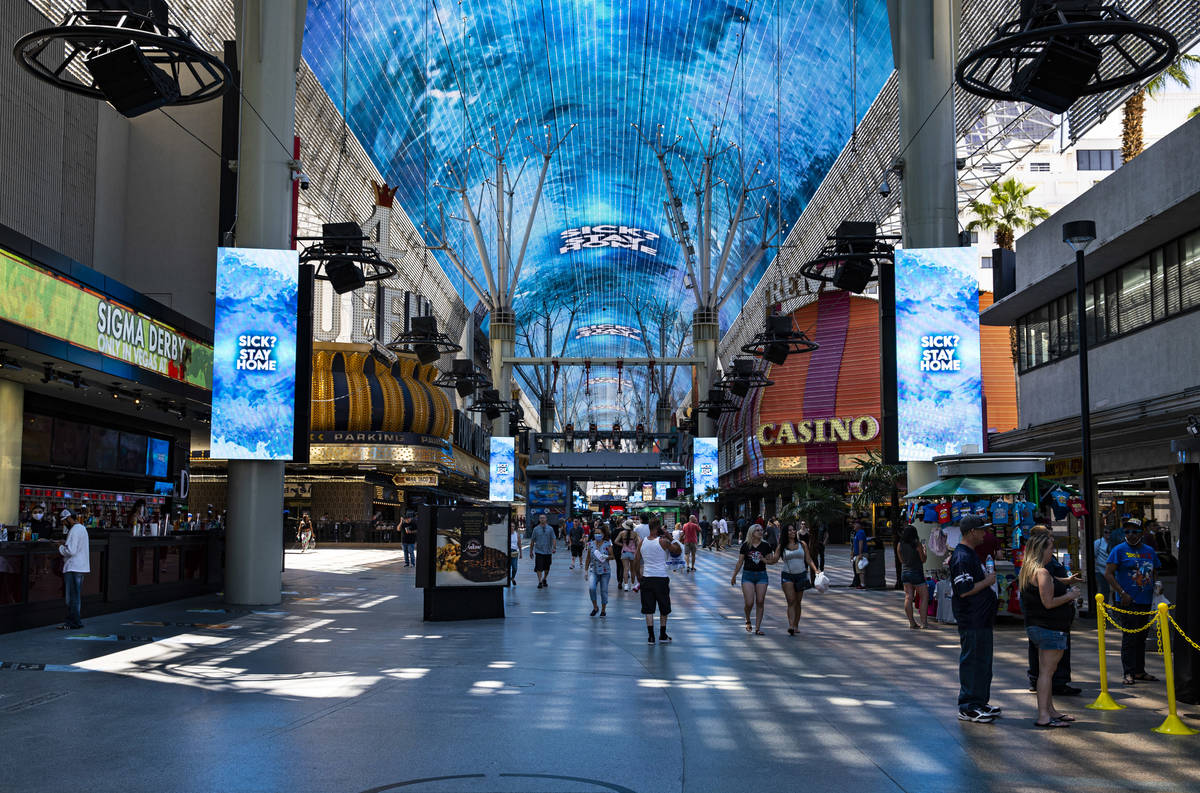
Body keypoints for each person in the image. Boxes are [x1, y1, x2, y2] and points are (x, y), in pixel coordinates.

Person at [1020, 531, 1081, 728]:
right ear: (1042, 550)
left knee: (1047, 671)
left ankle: (1050, 710)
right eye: (1050, 548)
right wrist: (1070, 596)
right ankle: (1044, 715)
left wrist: (1065, 582)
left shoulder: (1030, 571)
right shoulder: (1042, 572)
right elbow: (1048, 602)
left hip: (1039, 627)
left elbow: (1050, 583)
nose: (1052, 552)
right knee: (1047, 672)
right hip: (1049, 628)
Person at [949, 515, 1001, 723]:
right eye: (981, 530)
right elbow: (964, 589)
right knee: (973, 660)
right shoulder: (962, 557)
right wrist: (988, 581)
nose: (984, 534)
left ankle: (979, 701)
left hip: (982, 617)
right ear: (972, 532)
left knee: (983, 661)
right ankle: (968, 705)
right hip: (971, 618)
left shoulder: (970, 554)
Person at [1104, 518, 1161, 686]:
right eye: (1127, 531)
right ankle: (1128, 672)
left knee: (1141, 636)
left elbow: (1155, 570)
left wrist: (1158, 584)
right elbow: (1108, 574)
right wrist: (1121, 592)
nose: (1130, 534)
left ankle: (1139, 671)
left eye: (1134, 531)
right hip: (1127, 601)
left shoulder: (1149, 551)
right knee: (1130, 637)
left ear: (1141, 533)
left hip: (1146, 599)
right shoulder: (1118, 550)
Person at [767, 524, 819, 635]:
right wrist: (764, 559)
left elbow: (808, 559)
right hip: (787, 576)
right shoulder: (781, 546)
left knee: (798, 602)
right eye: (789, 530)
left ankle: (796, 625)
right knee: (791, 601)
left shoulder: (802, 544)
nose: (792, 532)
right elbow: (774, 560)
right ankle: (790, 625)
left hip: (801, 575)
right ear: (786, 533)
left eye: (793, 530)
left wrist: (815, 570)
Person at [636, 518, 680, 643]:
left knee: (648, 609)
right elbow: (677, 550)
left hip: (647, 578)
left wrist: (638, 576)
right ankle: (662, 635)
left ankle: (651, 637)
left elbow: (636, 560)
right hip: (661, 579)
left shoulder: (642, 542)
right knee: (664, 607)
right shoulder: (663, 541)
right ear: (658, 528)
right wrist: (669, 537)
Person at [731, 524, 773, 635]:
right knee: (749, 602)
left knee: (760, 601)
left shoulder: (766, 545)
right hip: (748, 575)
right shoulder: (746, 545)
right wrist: (734, 575)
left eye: (761, 530)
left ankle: (758, 628)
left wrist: (763, 559)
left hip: (761, 575)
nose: (760, 532)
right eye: (757, 530)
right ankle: (748, 619)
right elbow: (740, 562)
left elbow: (771, 560)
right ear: (752, 532)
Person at [56, 509, 89, 630]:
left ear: (69, 519)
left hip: (73, 567)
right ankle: (75, 621)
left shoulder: (74, 530)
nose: (64, 524)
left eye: (64, 521)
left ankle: (73, 622)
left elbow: (71, 551)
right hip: (80, 566)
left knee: (71, 597)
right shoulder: (81, 528)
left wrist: (59, 546)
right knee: (76, 596)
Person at [898, 525, 929, 629]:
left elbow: (901, 560)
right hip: (916, 572)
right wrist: (924, 551)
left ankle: (911, 622)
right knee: (924, 597)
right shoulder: (917, 544)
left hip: (905, 572)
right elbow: (923, 559)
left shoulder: (900, 544)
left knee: (908, 597)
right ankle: (923, 623)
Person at [585, 525, 613, 617]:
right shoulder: (590, 544)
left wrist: (606, 557)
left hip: (605, 571)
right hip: (594, 570)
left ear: (603, 534)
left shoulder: (607, 544)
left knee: (603, 590)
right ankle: (595, 607)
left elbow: (613, 556)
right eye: (596, 533)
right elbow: (588, 558)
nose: (597, 535)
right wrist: (586, 570)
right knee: (591, 588)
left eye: (599, 533)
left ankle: (603, 610)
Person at [530, 513, 557, 589]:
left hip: (548, 551)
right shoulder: (536, 529)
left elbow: (554, 538)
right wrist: (531, 551)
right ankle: (540, 582)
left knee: (547, 567)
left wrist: (554, 547)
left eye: (543, 518)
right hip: (539, 551)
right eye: (541, 518)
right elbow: (532, 540)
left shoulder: (550, 529)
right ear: (539, 519)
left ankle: (544, 578)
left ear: (546, 519)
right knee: (539, 567)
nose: (542, 519)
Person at [615, 521, 640, 592]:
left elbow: (616, 541)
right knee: (632, 570)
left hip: (624, 552)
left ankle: (626, 585)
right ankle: (632, 585)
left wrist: (623, 545)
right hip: (633, 553)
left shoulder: (622, 533)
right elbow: (638, 543)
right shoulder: (635, 534)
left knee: (626, 569)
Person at [1093, 527, 1112, 601]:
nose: (1108, 534)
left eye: (1110, 532)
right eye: (1106, 532)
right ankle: (1104, 607)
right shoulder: (1098, 542)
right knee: (1104, 589)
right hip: (1100, 570)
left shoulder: (1113, 542)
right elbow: (1094, 555)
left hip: (1112, 570)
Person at [851, 521, 870, 589]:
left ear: (859, 525)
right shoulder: (857, 533)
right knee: (858, 569)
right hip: (858, 554)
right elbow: (855, 545)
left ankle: (862, 584)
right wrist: (853, 554)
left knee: (861, 569)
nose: (854, 525)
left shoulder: (861, 532)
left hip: (861, 554)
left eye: (855, 524)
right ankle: (859, 583)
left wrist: (860, 554)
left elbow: (860, 543)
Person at [508, 520, 521, 586]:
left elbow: (519, 544)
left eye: (513, 526)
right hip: (507, 551)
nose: (512, 527)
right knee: (507, 567)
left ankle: (512, 578)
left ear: (514, 527)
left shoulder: (517, 534)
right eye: (510, 526)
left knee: (515, 567)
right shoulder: (506, 534)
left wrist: (521, 553)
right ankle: (508, 580)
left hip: (514, 551)